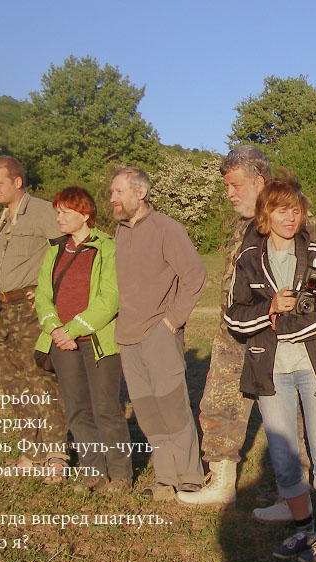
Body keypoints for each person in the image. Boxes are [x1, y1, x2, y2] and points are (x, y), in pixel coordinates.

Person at [178, 146, 314, 521]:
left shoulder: (289, 220)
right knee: (218, 404)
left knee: (287, 418)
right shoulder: (243, 225)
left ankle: (294, 499)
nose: (229, 194)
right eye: (226, 186)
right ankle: (221, 484)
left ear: (259, 181)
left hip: (275, 336)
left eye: (235, 185)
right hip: (233, 334)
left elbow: (308, 279)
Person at [223, 176, 316, 562]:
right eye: (282, 211)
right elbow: (234, 317)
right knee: (283, 456)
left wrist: (288, 328)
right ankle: (304, 530)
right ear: (266, 214)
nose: (291, 218)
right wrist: (271, 308)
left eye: (296, 210)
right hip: (270, 370)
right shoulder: (249, 259)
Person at [110, 166, 208, 500]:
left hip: (159, 333)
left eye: (118, 191)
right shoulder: (119, 232)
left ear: (140, 193)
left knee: (172, 407)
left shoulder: (167, 228)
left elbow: (195, 275)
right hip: (127, 336)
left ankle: (190, 475)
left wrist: (172, 321)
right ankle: (166, 478)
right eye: (112, 192)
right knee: (147, 411)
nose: (112, 198)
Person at [34, 186, 132, 493]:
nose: (59, 218)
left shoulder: (107, 247)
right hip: (61, 343)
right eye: (57, 212)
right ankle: (94, 474)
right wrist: (55, 329)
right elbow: (42, 296)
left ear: (85, 214)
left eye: (65, 212)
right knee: (77, 410)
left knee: (106, 409)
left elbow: (110, 297)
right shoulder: (54, 250)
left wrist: (72, 330)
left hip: (98, 342)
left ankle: (121, 475)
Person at [0, 156, 68, 478]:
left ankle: (56, 455)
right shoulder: (2, 220)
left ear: (17, 182)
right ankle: (31, 452)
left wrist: (49, 290)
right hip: (1, 311)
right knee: (14, 386)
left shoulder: (43, 212)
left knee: (42, 381)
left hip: (30, 311)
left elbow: (67, 249)